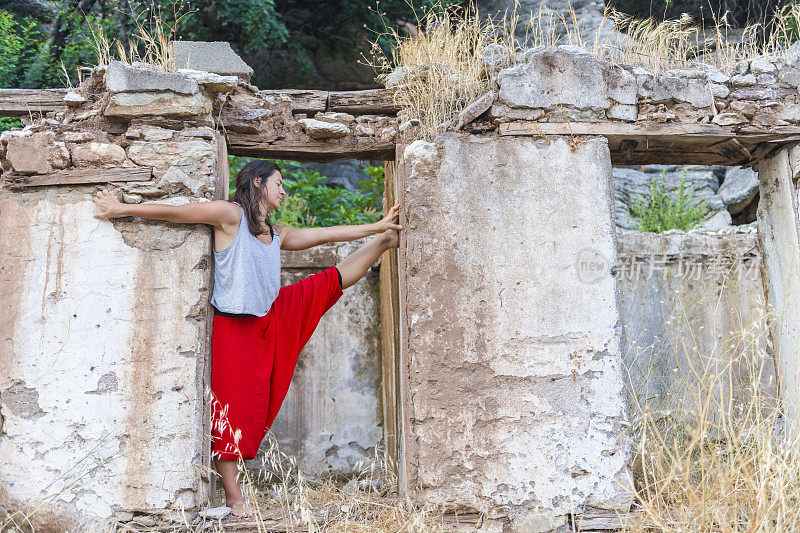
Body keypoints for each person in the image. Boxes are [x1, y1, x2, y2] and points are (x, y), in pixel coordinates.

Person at [92, 160, 401, 516]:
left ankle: (383, 242)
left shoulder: (277, 234)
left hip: (272, 316)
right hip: (234, 330)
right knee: (231, 410)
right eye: (279, 183)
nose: (284, 191)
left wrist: (376, 227)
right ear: (258, 182)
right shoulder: (230, 216)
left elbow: (327, 233)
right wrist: (121, 208)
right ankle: (234, 498)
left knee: (327, 283)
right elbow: (177, 213)